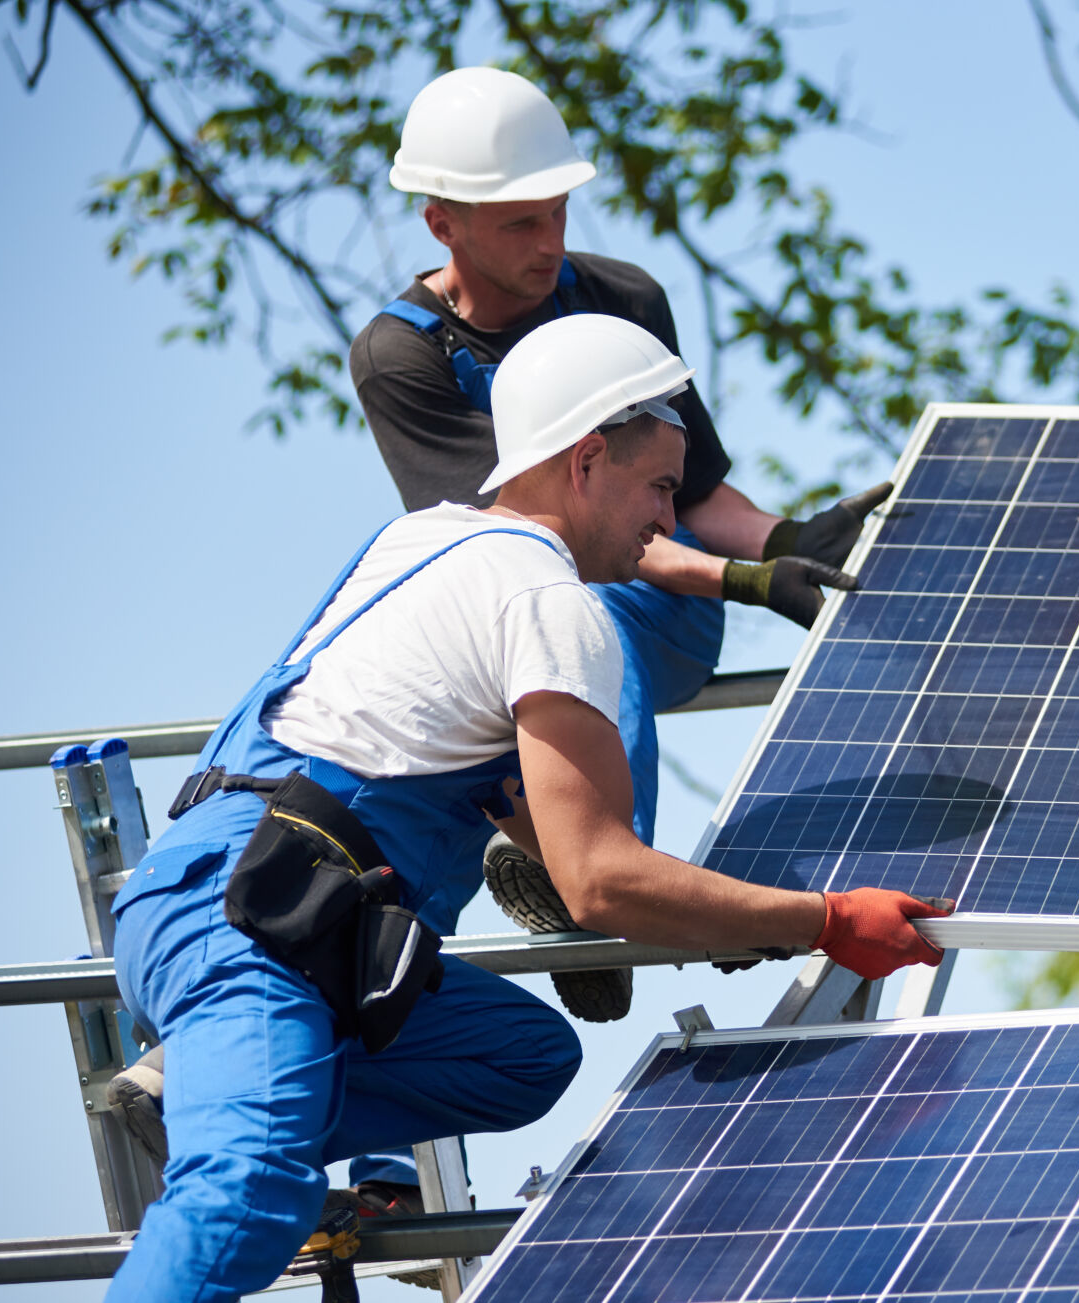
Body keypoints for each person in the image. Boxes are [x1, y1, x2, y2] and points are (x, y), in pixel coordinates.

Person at [102, 312, 949, 1301]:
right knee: (245, 1194)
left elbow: (379, 742)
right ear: (586, 460)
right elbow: (598, 883)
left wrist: (520, 830)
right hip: (259, 924)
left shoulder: (419, 541)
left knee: (521, 1056)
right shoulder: (551, 605)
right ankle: (231, 1103)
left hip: (223, 891)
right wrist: (828, 919)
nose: (665, 525)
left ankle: (206, 1084)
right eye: (660, 489)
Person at [349, 66, 892, 850]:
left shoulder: (622, 299)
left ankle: (604, 861)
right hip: (515, 614)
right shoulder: (400, 357)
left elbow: (696, 496)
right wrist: (746, 583)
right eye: (519, 224)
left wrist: (785, 545)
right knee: (538, 597)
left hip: (654, 613)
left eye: (559, 212)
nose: (550, 243)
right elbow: (526, 544)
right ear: (443, 223)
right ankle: (566, 864)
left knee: (580, 611)